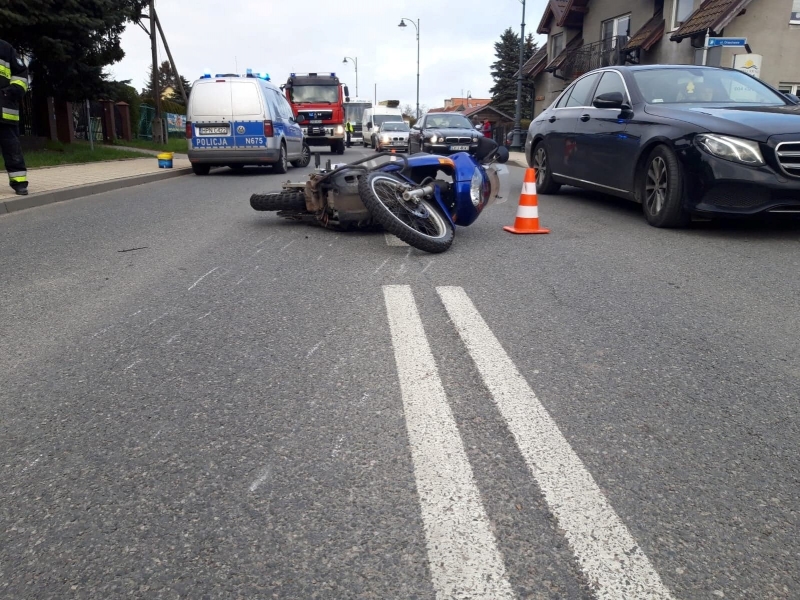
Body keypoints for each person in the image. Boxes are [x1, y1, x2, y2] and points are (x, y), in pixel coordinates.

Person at [0, 38, 29, 196]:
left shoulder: (6, 48)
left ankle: (19, 183)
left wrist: (12, 91)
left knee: (12, 149)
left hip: (5, 111)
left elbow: (21, 74)